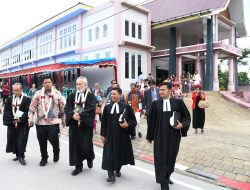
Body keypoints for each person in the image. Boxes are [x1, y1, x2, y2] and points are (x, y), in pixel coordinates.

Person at [146, 82, 191, 190]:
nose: (160, 91)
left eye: (163, 89)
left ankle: (167, 175)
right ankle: (163, 182)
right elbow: (151, 121)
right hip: (159, 136)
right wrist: (150, 136)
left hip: (173, 137)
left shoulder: (178, 103)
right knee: (161, 159)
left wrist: (182, 125)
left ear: (170, 90)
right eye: (160, 90)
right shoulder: (155, 104)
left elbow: (187, 117)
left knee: (171, 158)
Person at [101, 87, 137, 183]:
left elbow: (133, 121)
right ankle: (111, 174)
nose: (112, 95)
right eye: (111, 94)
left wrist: (127, 125)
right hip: (109, 135)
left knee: (120, 154)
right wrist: (103, 135)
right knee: (109, 154)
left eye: (114, 94)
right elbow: (103, 122)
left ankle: (117, 169)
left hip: (122, 136)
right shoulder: (107, 107)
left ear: (120, 95)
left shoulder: (126, 107)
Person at [28, 76, 65, 166]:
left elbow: (62, 107)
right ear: (43, 84)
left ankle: (56, 150)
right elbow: (32, 108)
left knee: (53, 138)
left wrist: (63, 119)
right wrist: (30, 119)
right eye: (46, 82)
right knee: (42, 141)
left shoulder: (57, 93)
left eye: (49, 82)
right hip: (40, 122)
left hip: (54, 121)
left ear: (51, 83)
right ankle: (44, 157)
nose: (47, 84)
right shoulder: (38, 93)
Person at [64, 76, 96, 176]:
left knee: (86, 146)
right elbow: (67, 108)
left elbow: (91, 109)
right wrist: (72, 115)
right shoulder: (72, 95)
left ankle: (90, 157)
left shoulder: (90, 96)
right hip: (74, 125)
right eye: (77, 84)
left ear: (85, 85)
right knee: (75, 146)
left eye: (80, 84)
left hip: (86, 125)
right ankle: (78, 166)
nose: (78, 86)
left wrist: (80, 115)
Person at [3, 83, 31, 165]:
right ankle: (17, 154)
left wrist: (20, 119)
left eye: (17, 90)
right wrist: (13, 119)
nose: (15, 92)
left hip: (22, 124)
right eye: (14, 90)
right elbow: (7, 111)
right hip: (12, 123)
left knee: (21, 140)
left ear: (21, 90)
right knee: (13, 139)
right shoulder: (9, 99)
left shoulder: (26, 99)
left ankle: (21, 156)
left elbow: (28, 111)